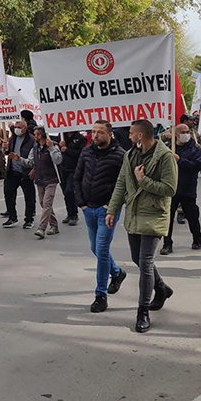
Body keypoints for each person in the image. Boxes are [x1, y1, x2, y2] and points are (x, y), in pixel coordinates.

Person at [106, 120, 177, 333]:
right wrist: (112, 209)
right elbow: (121, 183)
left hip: (154, 214)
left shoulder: (164, 157)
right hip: (135, 214)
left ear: (140, 135)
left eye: (131, 133)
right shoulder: (130, 155)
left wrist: (143, 180)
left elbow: (170, 189)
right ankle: (162, 288)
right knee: (137, 259)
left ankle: (142, 311)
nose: (128, 136)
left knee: (145, 262)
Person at [74, 120, 127, 313]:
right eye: (93, 132)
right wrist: (81, 203)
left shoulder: (120, 155)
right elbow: (77, 177)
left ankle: (100, 295)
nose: (95, 135)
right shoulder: (87, 152)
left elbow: (123, 184)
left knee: (102, 249)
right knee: (94, 247)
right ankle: (117, 272)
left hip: (107, 211)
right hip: (89, 208)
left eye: (100, 132)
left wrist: (112, 206)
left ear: (109, 134)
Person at [160, 124, 201, 255]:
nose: (186, 134)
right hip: (171, 188)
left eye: (187, 132)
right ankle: (167, 243)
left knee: (192, 215)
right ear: (176, 135)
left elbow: (197, 166)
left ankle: (197, 238)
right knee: (168, 217)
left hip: (187, 188)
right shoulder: (168, 148)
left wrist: (180, 160)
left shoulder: (195, 148)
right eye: (183, 132)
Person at [22, 127, 62, 239]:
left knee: (47, 204)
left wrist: (51, 148)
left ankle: (41, 228)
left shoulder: (52, 145)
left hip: (51, 180)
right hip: (40, 180)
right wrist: (19, 159)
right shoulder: (35, 148)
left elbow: (58, 160)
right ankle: (54, 225)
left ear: (40, 136)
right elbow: (30, 162)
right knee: (43, 203)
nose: (33, 136)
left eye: (35, 134)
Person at [1, 120, 36, 229]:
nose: (16, 129)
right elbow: (8, 153)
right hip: (12, 171)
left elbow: (36, 156)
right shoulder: (13, 138)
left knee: (29, 196)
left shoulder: (32, 140)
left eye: (19, 127)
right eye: (15, 127)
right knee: (8, 193)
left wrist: (34, 169)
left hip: (26, 172)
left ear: (25, 128)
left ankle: (29, 219)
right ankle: (12, 217)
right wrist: (4, 148)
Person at [59, 131, 86, 226]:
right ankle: (70, 213)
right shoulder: (62, 136)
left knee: (69, 191)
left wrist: (67, 150)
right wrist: (59, 146)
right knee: (65, 193)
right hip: (63, 168)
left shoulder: (80, 138)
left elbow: (81, 153)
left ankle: (74, 215)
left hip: (74, 169)